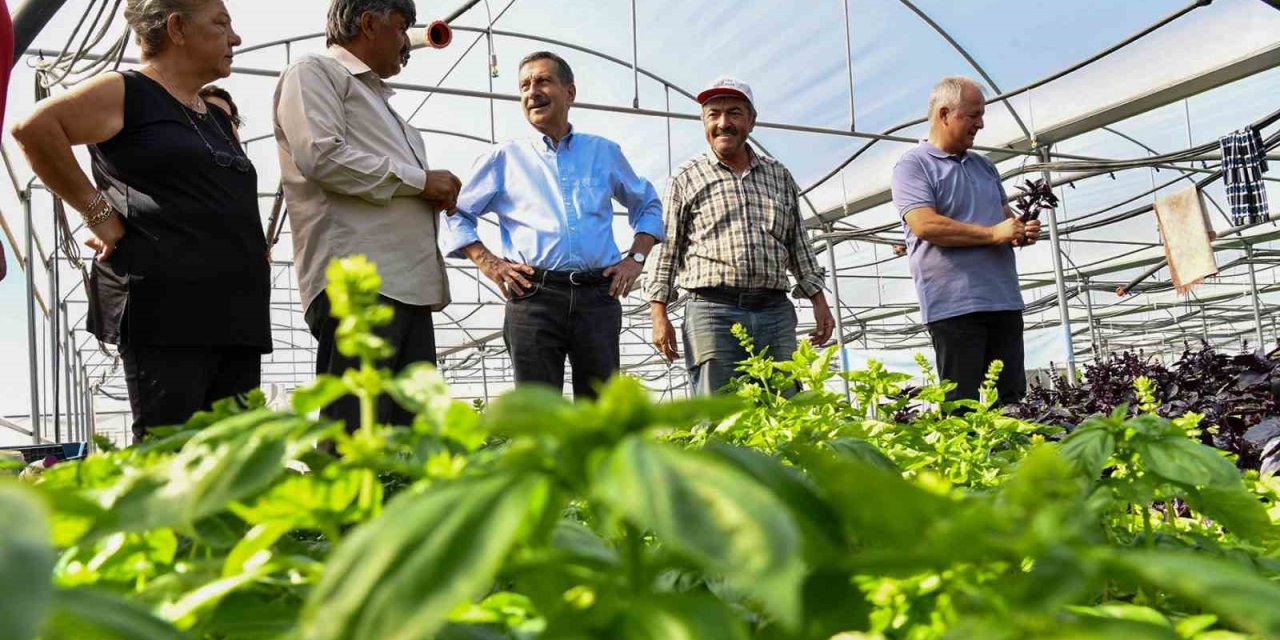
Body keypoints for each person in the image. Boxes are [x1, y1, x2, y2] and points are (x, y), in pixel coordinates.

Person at [11, 0, 270, 441]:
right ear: (177, 29)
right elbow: (35, 130)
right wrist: (98, 213)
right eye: (221, 23)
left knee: (237, 463)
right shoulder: (128, 91)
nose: (235, 37)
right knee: (170, 457)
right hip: (171, 310)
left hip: (237, 313)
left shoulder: (213, 115)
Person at [274, 0, 461, 428]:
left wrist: (425, 190)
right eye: (401, 27)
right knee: (355, 435)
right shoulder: (315, 72)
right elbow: (320, 154)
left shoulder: (381, 103)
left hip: (408, 288)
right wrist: (419, 181)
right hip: (363, 286)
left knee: (407, 442)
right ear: (369, 23)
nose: (405, 42)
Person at [444, 51, 664, 400]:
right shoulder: (505, 158)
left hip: (597, 296)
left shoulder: (603, 152)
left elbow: (648, 204)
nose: (533, 91)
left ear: (570, 92)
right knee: (538, 413)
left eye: (543, 81)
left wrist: (635, 259)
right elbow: (456, 212)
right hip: (533, 296)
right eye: (524, 86)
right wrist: (490, 263)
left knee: (601, 412)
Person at [647, 77, 833, 395]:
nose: (723, 123)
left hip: (774, 309)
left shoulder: (778, 175)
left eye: (734, 113)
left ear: (751, 121)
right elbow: (668, 248)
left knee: (785, 407)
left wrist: (819, 300)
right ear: (703, 122)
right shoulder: (686, 177)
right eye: (713, 114)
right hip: (712, 310)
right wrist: (658, 312)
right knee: (718, 410)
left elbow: (797, 242)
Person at [891, 76, 1041, 405]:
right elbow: (925, 224)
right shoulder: (913, 165)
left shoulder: (985, 167)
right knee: (962, 405)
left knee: (1013, 402)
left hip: (1003, 300)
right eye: (973, 115)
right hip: (954, 307)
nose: (981, 123)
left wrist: (1019, 231)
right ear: (944, 114)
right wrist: (993, 234)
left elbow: (1004, 221)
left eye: (981, 115)